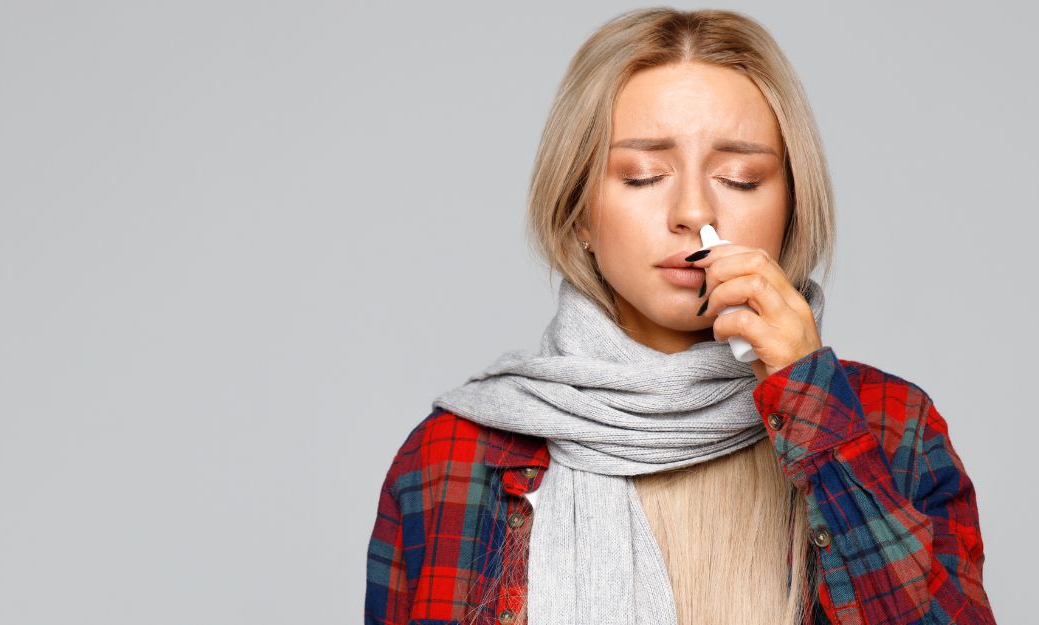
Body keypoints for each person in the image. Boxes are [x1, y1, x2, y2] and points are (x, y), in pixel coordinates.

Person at [364, 8, 996, 625]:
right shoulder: (451, 456)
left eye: (741, 178)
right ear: (579, 212)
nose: (693, 210)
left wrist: (809, 401)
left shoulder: (890, 427)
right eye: (643, 176)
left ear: (790, 210)